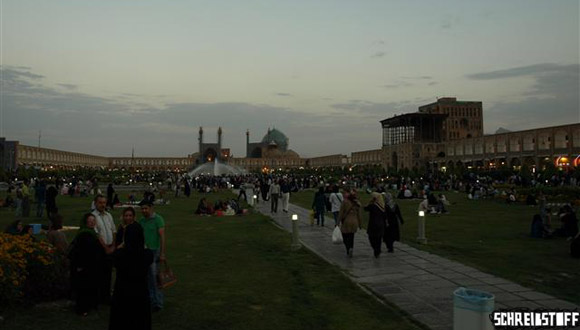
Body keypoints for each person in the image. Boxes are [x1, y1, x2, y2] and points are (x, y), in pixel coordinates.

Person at [109, 207, 153, 330]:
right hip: (140, 293)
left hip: (123, 292)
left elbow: (114, 259)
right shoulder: (146, 255)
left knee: (122, 318)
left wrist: (121, 247)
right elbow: (148, 254)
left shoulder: (120, 255)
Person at [69, 213, 104, 316]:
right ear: (86, 222)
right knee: (83, 288)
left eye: (94, 221)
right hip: (84, 266)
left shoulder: (92, 233)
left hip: (92, 265)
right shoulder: (84, 234)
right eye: (90, 221)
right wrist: (80, 266)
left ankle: (89, 305)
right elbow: (80, 252)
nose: (92, 222)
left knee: (90, 286)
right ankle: (82, 308)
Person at [139, 200, 166, 312]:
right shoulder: (141, 221)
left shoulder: (158, 219)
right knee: (146, 278)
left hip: (154, 252)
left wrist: (162, 253)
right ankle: (150, 301)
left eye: (146, 208)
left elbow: (162, 237)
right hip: (144, 253)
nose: (144, 211)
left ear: (151, 208)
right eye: (142, 209)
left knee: (155, 278)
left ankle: (158, 303)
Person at [92, 195, 116, 304]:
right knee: (99, 273)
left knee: (108, 274)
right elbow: (97, 234)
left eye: (104, 203)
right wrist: (106, 248)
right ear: (95, 203)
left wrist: (113, 246)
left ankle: (107, 296)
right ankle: (99, 296)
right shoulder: (93, 217)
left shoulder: (108, 215)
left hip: (110, 248)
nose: (102, 205)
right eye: (100, 203)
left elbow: (113, 230)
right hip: (100, 249)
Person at [338, 189, 362, 257]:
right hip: (354, 222)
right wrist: (360, 224)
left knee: (345, 235)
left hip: (347, 221)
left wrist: (337, 222)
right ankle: (351, 247)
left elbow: (340, 213)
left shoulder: (345, 202)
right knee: (352, 236)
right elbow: (359, 215)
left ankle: (348, 248)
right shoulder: (358, 203)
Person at [364, 192, 387, 258]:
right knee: (378, 239)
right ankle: (377, 250)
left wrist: (370, 202)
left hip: (373, 224)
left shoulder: (373, 206)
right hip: (380, 224)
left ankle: (376, 249)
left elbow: (365, 208)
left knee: (371, 238)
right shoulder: (382, 206)